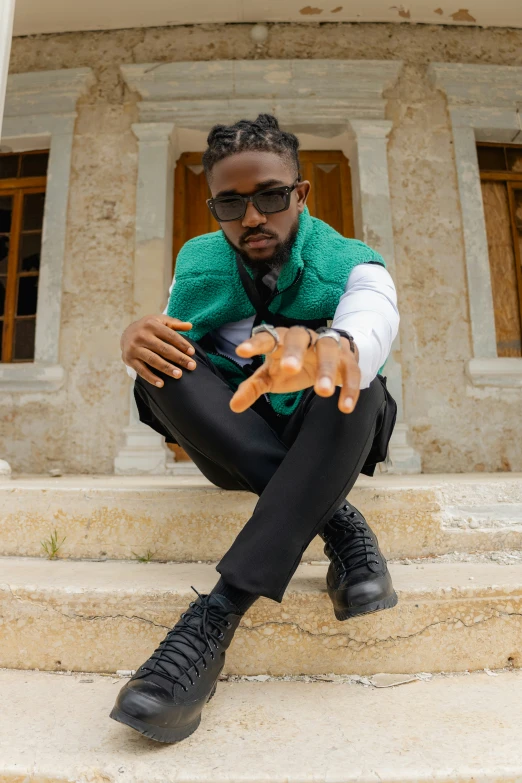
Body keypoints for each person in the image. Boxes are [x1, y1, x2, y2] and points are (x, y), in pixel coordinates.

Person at [111, 114, 399, 744]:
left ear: (300, 194)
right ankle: (340, 523)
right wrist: (137, 336)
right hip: (233, 445)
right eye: (231, 203)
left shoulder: (353, 264)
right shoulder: (199, 264)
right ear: (213, 204)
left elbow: (370, 323)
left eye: (271, 195)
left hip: (327, 434)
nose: (252, 217)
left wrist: (333, 348)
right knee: (162, 364)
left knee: (352, 378)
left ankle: (216, 617)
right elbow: (172, 331)